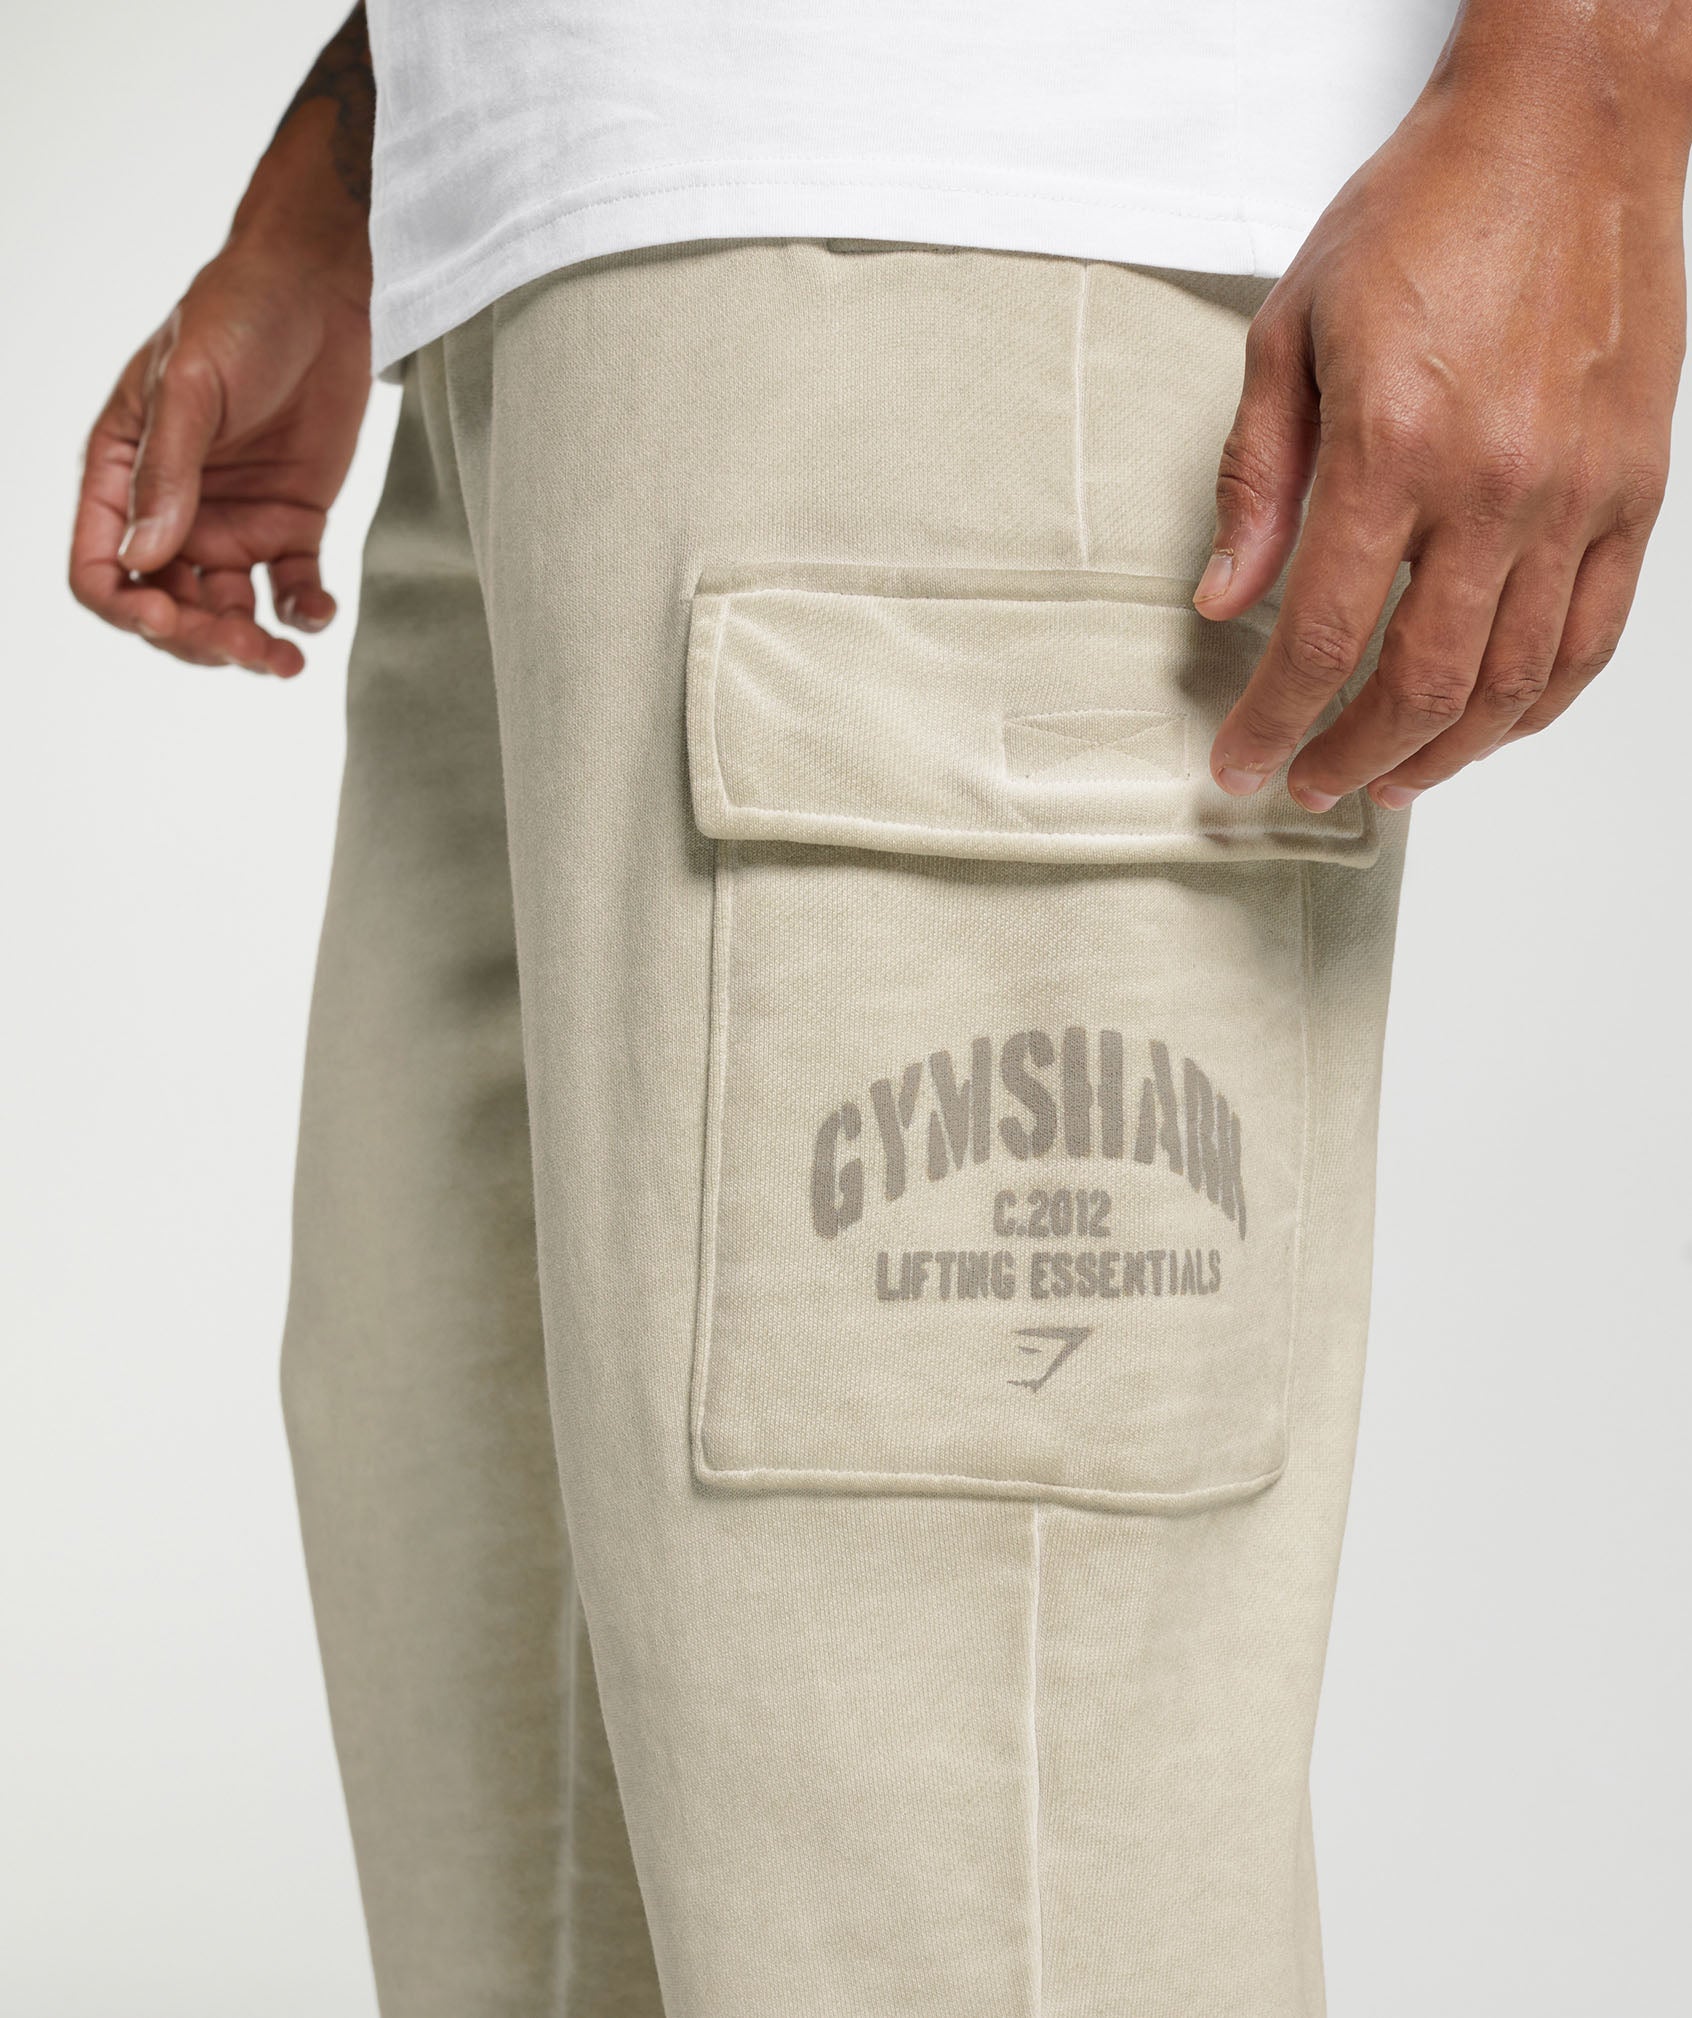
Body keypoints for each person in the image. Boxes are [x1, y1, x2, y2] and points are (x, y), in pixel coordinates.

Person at [66, 4, 1689, 2014]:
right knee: (534, 1918)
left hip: (985, 244)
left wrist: (1587, 84)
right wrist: (362, 170)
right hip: (536, 292)